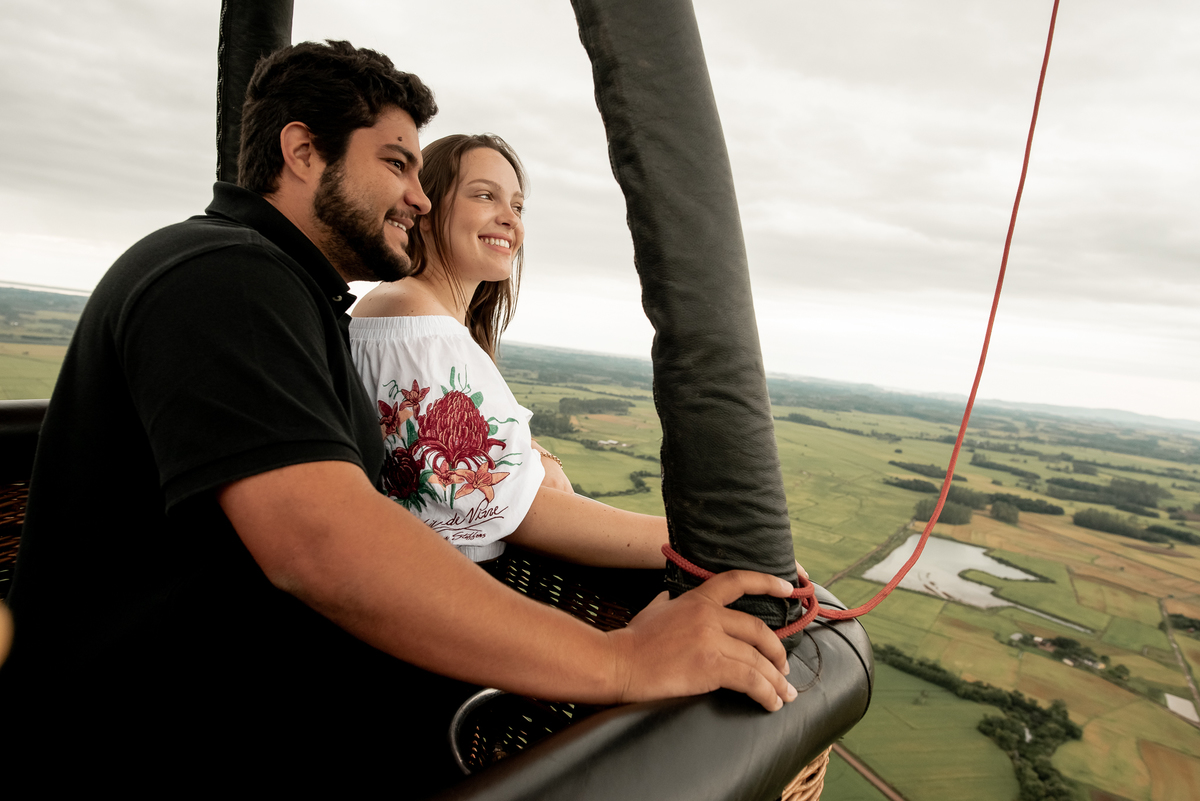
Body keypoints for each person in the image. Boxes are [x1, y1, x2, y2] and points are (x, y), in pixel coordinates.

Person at [0, 40, 797, 791]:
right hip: (152, 741)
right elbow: (322, 543)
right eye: (397, 163)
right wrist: (620, 660)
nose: (419, 196)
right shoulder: (222, 279)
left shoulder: (285, 292)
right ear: (303, 152)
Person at [350, 134, 672, 569]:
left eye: (517, 207)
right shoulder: (419, 327)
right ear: (426, 210)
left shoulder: (405, 312)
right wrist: (707, 546)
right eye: (486, 196)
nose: (510, 220)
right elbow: (517, 512)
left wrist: (535, 455)